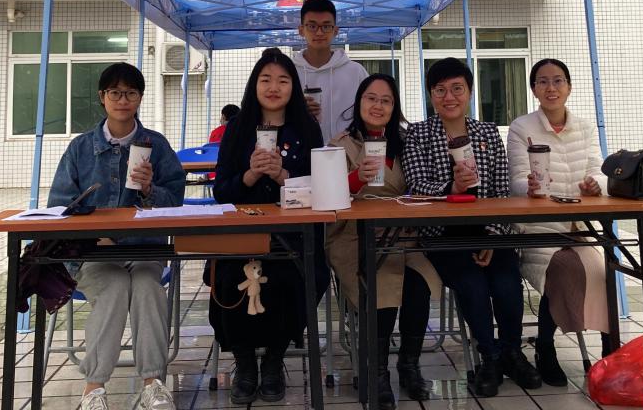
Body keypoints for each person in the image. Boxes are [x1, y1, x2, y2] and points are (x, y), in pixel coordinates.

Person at [47, 62, 187, 410]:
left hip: (144, 252)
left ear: (140, 98)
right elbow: (59, 207)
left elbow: (176, 202)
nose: (122, 100)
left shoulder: (156, 145)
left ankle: (153, 384)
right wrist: (94, 237)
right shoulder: (80, 148)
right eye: (115, 92)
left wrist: (150, 189)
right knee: (113, 287)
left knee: (146, 286)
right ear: (102, 97)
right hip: (92, 256)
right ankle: (94, 389)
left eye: (130, 93)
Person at [400, 58, 541, 397]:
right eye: (440, 90)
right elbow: (416, 186)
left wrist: (493, 235)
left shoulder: (487, 133)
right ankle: (488, 358)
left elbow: (500, 191)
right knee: (472, 284)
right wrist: (452, 188)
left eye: (457, 89)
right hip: (442, 235)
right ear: (431, 95)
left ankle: (511, 352)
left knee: (507, 282)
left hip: (488, 230)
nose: (449, 97)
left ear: (470, 92)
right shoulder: (418, 134)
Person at [210, 48, 327, 404]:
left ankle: (275, 361)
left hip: (293, 235)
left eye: (283, 80)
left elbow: (322, 189)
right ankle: (244, 363)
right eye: (266, 80)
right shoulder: (237, 129)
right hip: (241, 233)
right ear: (254, 85)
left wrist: (282, 176)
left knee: (294, 276)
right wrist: (249, 174)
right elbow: (221, 192)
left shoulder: (306, 129)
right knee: (227, 277)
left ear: (293, 87)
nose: (274, 87)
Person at [325, 74, 441, 409]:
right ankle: (375, 372)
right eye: (371, 98)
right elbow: (326, 197)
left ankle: (409, 365)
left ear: (395, 107)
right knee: (383, 283)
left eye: (386, 100)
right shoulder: (340, 144)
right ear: (359, 103)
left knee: (420, 283)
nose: (378, 106)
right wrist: (354, 179)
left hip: (403, 235)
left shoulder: (407, 143)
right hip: (355, 237)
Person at [506, 58, 609, 387]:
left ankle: (610, 351)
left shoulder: (585, 128)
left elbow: (598, 170)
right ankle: (545, 347)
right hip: (537, 230)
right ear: (534, 89)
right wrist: (528, 187)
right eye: (543, 81)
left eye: (558, 80)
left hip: (577, 229)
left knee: (604, 272)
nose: (551, 88)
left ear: (569, 87)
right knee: (564, 269)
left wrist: (595, 184)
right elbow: (515, 181)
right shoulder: (522, 127)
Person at [292, 0, 368, 143]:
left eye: (326, 26)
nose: (319, 33)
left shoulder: (356, 72)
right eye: (312, 26)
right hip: (300, 153)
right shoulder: (289, 72)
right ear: (301, 30)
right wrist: (297, 110)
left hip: (347, 153)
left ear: (335, 30)